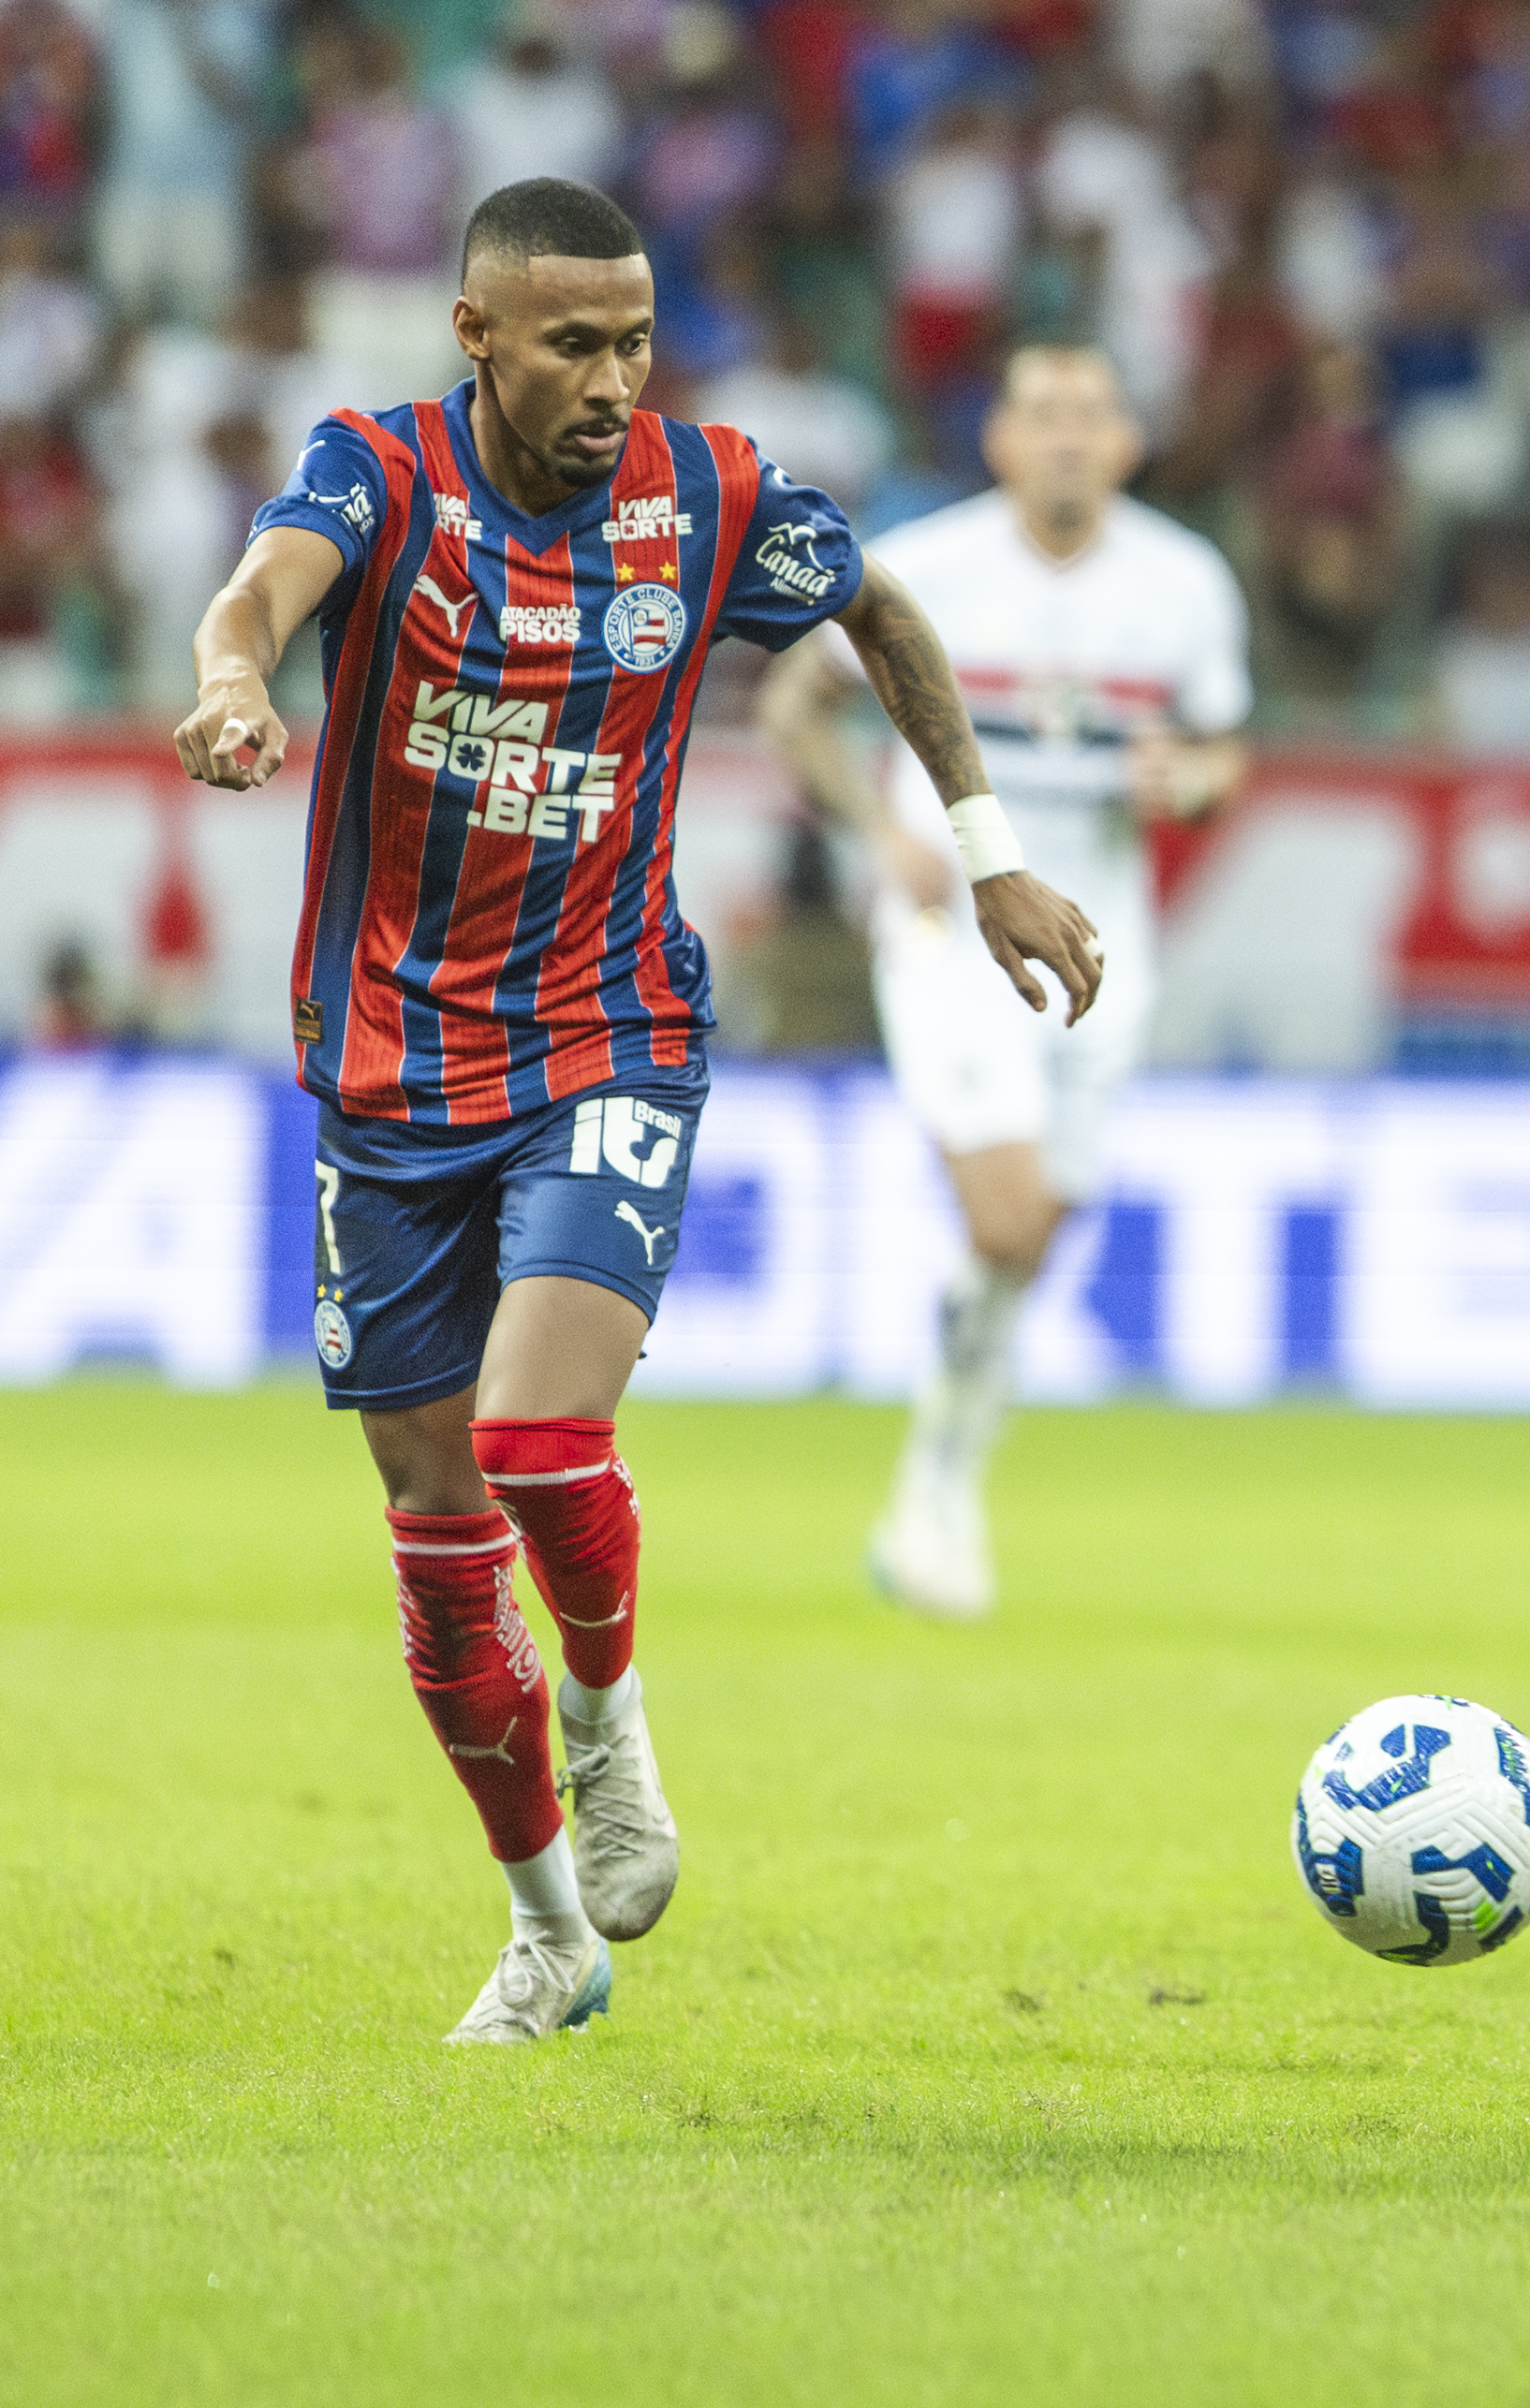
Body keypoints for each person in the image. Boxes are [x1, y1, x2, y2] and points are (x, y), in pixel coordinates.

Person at [170, 177, 1102, 2045]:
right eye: (573, 344)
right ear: (478, 338)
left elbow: (884, 613)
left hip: (609, 1033)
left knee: (529, 1439)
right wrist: (228, 678)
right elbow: (267, 585)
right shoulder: (385, 470)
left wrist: (984, 850)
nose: (612, 381)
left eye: (635, 342)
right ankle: (545, 1929)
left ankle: (607, 1723)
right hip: (383, 1071)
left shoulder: (715, 495)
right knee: (436, 1549)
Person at [757, 343, 1248, 1622]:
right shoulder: (932, 567)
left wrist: (1185, 781)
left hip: (1104, 928)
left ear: (1130, 441)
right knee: (1004, 1215)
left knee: (1036, 1232)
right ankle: (939, 1490)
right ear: (1001, 441)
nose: (1070, 436)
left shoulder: (1185, 584)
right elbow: (794, 703)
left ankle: (940, 1469)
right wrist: (883, 840)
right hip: (951, 922)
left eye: (1093, 414)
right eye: (1045, 415)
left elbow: (1220, 752)